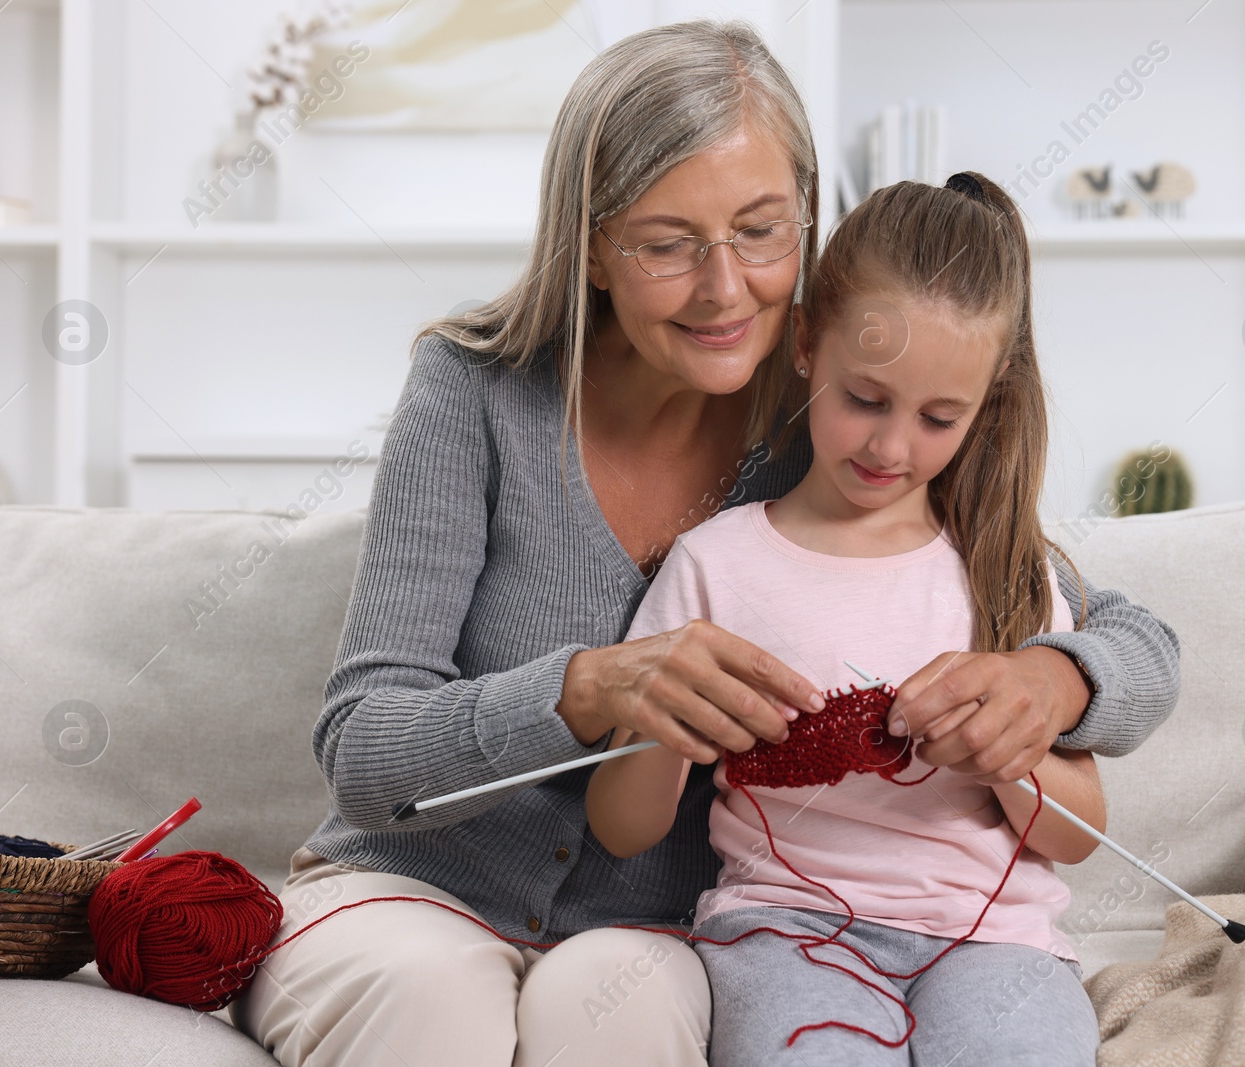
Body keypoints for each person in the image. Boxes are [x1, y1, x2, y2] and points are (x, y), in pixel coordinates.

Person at [229, 20, 1179, 1067]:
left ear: (807, 221)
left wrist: (1055, 681)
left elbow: (1112, 627)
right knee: (433, 997)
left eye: (763, 232)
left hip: (649, 932)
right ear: (590, 241)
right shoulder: (476, 391)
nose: (725, 289)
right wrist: (588, 689)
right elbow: (366, 752)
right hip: (421, 892)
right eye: (668, 243)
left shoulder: (846, 416)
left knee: (617, 1007)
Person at [585, 174, 1104, 1066]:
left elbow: (1080, 832)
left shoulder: (1005, 569)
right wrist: (668, 721)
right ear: (805, 345)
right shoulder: (716, 564)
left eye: (940, 418)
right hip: (784, 929)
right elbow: (622, 826)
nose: (891, 447)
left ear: (988, 404)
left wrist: (1006, 754)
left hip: (995, 941)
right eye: (864, 399)